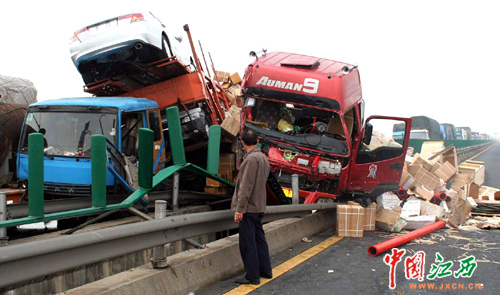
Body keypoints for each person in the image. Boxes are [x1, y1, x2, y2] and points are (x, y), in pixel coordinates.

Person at [232, 129, 272, 285]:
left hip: (249, 208)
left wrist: (239, 209)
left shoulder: (250, 160)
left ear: (242, 142)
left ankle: (252, 275)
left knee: (247, 242)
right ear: (257, 141)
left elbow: (245, 187)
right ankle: (265, 270)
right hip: (260, 205)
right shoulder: (263, 158)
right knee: (259, 239)